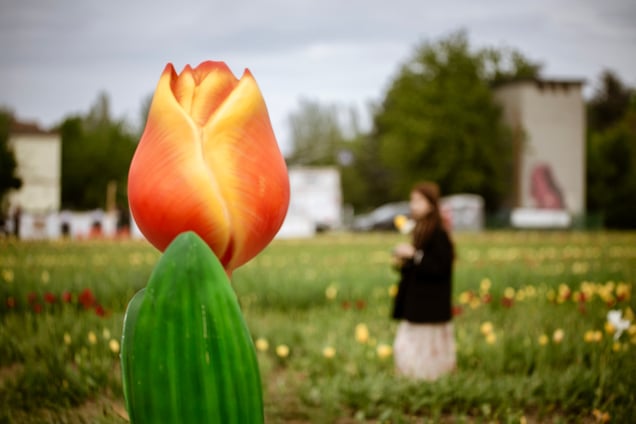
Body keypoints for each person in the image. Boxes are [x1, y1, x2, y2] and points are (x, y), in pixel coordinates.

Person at [391, 181, 456, 380]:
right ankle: (418, 381)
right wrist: (405, 260)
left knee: (423, 349)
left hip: (428, 307)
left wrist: (414, 255)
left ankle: (426, 383)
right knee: (409, 347)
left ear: (431, 204)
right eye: (412, 200)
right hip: (418, 305)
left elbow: (440, 266)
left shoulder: (438, 232)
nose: (414, 205)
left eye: (419, 200)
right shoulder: (421, 229)